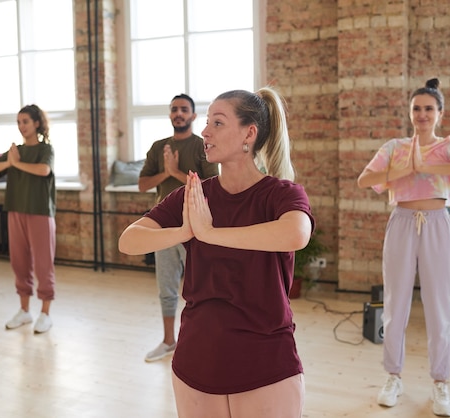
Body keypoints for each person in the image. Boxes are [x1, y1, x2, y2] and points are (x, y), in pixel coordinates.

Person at [120, 87, 313, 418]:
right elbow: (129, 241)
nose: (206, 131)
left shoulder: (280, 194)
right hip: (197, 359)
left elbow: (296, 233)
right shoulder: (193, 196)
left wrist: (210, 233)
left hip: (264, 360)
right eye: (207, 122)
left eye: (218, 123)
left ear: (248, 134)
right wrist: (186, 230)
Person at [357, 78, 450, 417]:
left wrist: (426, 166)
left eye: (428, 108)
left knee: (440, 305)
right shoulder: (395, 147)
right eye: (417, 108)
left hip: (438, 223)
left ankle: (441, 383)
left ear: (439, 113)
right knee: (396, 303)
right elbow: (365, 180)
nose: (422, 114)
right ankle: (392, 377)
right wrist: (404, 168)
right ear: (410, 112)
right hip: (401, 222)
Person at [138, 93, 219, 362]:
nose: (179, 113)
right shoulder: (158, 147)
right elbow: (143, 184)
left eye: (184, 109)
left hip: (196, 228)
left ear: (194, 116)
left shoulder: (203, 146)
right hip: (164, 229)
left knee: (199, 289)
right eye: (174, 109)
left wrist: (175, 172)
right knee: (166, 287)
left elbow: (213, 187)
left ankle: (201, 342)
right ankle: (169, 340)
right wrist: (167, 170)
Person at [0, 104, 57, 334]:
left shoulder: (46, 149)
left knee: (44, 265)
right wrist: (10, 162)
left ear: (36, 123)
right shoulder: (15, 151)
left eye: (25, 121)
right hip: (15, 210)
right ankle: (24, 311)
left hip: (40, 213)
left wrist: (16, 164)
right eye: (18, 122)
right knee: (19, 262)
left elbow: (43, 171)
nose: (21, 126)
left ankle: (45, 313)